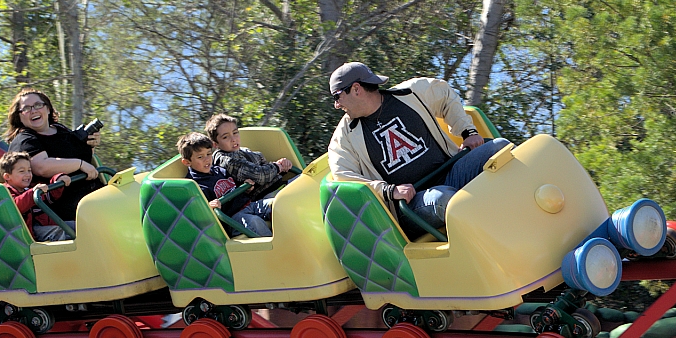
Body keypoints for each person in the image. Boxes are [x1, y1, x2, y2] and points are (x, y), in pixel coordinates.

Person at [327, 62, 510, 236]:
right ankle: (501, 235)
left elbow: (444, 94)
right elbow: (344, 177)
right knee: (444, 199)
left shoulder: (410, 93)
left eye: (337, 96)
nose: (336, 105)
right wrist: (389, 191)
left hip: (450, 174)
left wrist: (467, 132)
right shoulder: (343, 138)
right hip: (411, 207)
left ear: (356, 89)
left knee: (501, 147)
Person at [5, 89, 101, 222]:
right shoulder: (24, 140)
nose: (33, 110)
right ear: (19, 116)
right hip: (62, 207)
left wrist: (90, 145)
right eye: (26, 108)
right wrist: (79, 164)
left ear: (48, 109)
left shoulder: (61, 130)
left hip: (94, 193)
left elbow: (86, 161)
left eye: (38, 105)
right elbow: (41, 167)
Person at [177, 132, 272, 238]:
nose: (207, 159)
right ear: (187, 162)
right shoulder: (195, 185)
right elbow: (198, 213)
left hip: (249, 205)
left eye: (209, 154)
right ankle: (275, 251)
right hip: (232, 219)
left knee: (275, 204)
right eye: (200, 157)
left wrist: (245, 188)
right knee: (255, 221)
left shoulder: (220, 170)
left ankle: (289, 238)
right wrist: (209, 207)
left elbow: (233, 188)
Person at [205, 113, 294, 200]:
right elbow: (260, 175)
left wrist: (281, 164)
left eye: (235, 133)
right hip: (263, 196)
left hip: (278, 186)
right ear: (215, 144)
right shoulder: (226, 160)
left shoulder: (243, 150)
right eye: (225, 137)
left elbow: (263, 162)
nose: (233, 139)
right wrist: (278, 166)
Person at [0, 151, 74, 241]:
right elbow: (16, 206)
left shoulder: (31, 187)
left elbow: (50, 195)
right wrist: (32, 193)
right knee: (57, 232)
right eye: (22, 171)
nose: (28, 174)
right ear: (7, 176)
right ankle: (63, 254)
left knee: (79, 225)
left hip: (45, 224)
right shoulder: (5, 192)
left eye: (29, 170)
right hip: (29, 232)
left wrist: (58, 179)